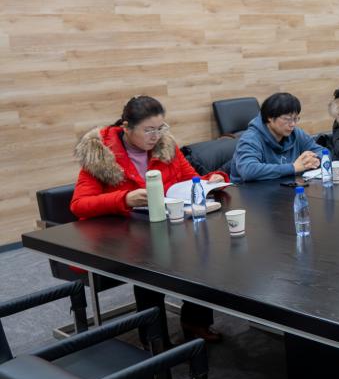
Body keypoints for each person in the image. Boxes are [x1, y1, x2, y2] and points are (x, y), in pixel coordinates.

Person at [71, 95, 225, 342]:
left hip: (166, 227)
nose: (155, 136)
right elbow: (79, 204)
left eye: (160, 128)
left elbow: (189, 178)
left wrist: (210, 180)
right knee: (149, 271)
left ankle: (195, 322)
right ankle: (154, 338)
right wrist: (124, 199)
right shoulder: (101, 155)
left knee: (203, 254)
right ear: (126, 127)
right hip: (123, 237)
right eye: (148, 130)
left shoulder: (166, 147)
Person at [230, 92, 324, 182]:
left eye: (295, 119)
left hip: (284, 187)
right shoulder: (251, 138)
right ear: (270, 117)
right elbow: (248, 170)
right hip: (248, 190)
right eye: (287, 119)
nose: (292, 124)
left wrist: (315, 160)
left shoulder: (295, 133)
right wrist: (293, 168)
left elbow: (323, 152)